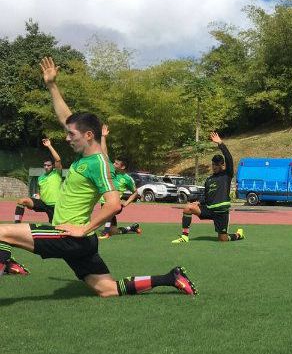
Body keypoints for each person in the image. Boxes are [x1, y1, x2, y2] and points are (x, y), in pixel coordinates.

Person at [0, 56, 196, 297]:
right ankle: (171, 277)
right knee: (108, 289)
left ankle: (6, 264)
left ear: (89, 135)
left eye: (72, 135)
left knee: (1, 233)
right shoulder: (85, 156)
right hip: (79, 240)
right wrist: (52, 85)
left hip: (69, 235)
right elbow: (67, 119)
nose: (67, 138)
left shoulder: (98, 163)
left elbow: (114, 204)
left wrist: (83, 229)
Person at [171, 132, 244, 243]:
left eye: (218, 164)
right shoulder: (209, 180)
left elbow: (229, 158)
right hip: (209, 210)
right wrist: (199, 202)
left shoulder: (227, 175)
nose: (215, 166)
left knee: (223, 239)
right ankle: (185, 236)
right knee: (188, 208)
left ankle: (238, 234)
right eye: (213, 164)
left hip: (221, 213)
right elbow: (206, 196)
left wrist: (220, 143)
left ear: (223, 165)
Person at [97, 124, 141, 239]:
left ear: (122, 167)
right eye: (114, 162)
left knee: (108, 212)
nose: (114, 164)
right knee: (115, 231)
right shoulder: (111, 169)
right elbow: (104, 154)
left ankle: (105, 232)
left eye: (117, 163)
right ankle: (132, 227)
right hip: (104, 202)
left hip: (114, 204)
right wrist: (103, 137)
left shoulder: (127, 179)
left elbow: (135, 192)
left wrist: (126, 203)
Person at [13, 138, 63, 224]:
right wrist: (38, 195)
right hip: (43, 204)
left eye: (48, 165)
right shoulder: (40, 178)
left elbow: (58, 160)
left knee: (55, 228)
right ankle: (17, 224)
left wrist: (49, 146)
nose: (46, 167)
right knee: (22, 201)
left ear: (52, 166)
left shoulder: (57, 173)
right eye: (45, 165)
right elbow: (41, 191)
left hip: (56, 206)